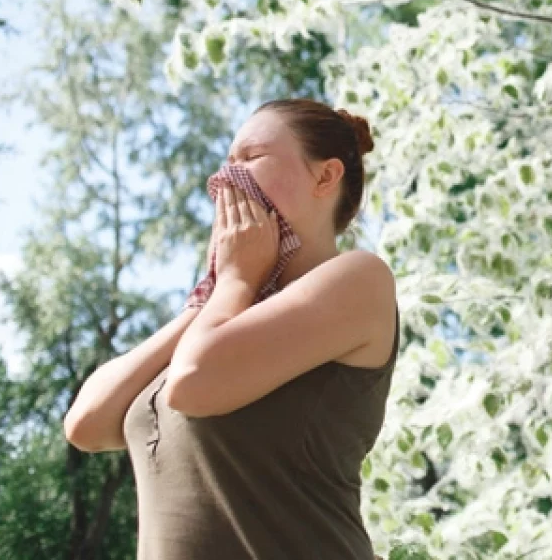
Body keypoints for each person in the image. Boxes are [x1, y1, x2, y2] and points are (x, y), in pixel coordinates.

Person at [64, 98, 399, 560]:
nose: (226, 179)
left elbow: (193, 383)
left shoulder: (360, 280)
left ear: (325, 177)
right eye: (226, 163)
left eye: (250, 158)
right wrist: (210, 296)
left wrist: (237, 279)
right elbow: (87, 424)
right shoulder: (220, 316)